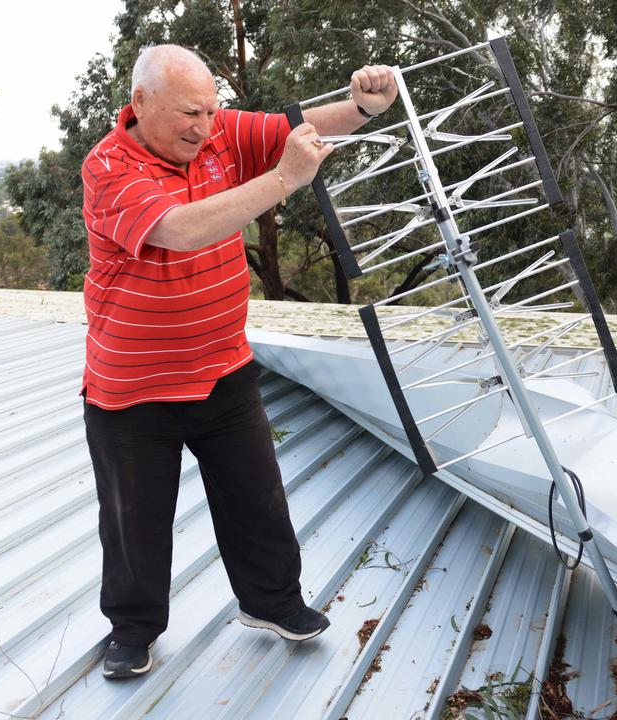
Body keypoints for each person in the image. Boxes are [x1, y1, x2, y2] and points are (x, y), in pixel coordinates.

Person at [80, 44, 396, 679]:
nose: (204, 126)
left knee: (257, 497)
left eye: (210, 109)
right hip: (134, 389)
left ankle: (273, 603)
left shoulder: (220, 131)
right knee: (134, 519)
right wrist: (282, 180)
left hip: (223, 368)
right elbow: (180, 229)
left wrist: (364, 106)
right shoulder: (110, 167)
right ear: (140, 105)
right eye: (187, 115)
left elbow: (302, 123)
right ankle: (133, 629)